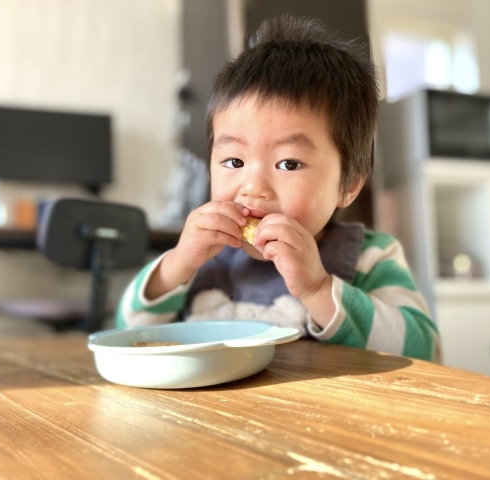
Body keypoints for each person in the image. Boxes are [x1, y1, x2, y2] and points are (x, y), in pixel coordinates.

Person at [116, 15, 440, 361]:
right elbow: (128, 333)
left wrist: (318, 289)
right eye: (234, 162)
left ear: (348, 185)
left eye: (288, 164)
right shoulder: (200, 260)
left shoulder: (370, 257)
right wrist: (177, 264)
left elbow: (424, 349)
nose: (253, 187)